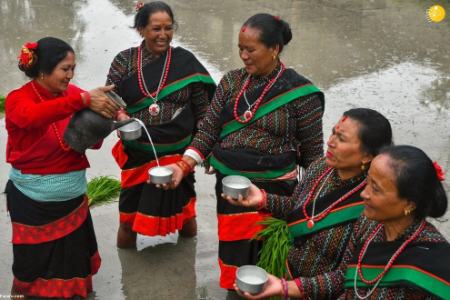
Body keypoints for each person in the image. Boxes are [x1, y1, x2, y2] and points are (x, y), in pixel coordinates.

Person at [163, 13, 325, 289]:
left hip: (276, 192)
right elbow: (209, 130)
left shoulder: (301, 94)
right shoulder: (231, 82)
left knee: (270, 258)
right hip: (231, 190)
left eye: (251, 49)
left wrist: (316, 205)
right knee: (235, 253)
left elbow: (313, 157)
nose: (243, 56)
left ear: (274, 49)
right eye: (240, 48)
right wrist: (184, 165)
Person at [236, 145, 449, 299]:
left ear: (409, 203)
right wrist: (284, 287)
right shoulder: (368, 224)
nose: (363, 194)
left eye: (376, 189)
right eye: (367, 183)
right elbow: (343, 278)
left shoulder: (433, 264)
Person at [4, 37, 120, 299]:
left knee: (72, 261)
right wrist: (82, 101)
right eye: (64, 69)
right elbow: (33, 117)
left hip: (72, 199)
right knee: (30, 264)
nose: (70, 75)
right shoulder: (17, 100)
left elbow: (92, 141)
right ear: (43, 70)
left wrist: (106, 118)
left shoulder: (71, 94)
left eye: (73, 68)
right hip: (32, 201)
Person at [226, 108, 393, 287]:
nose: (330, 142)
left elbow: (347, 276)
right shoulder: (320, 168)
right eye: (332, 133)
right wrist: (262, 199)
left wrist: (290, 289)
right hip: (286, 274)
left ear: (367, 156)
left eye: (341, 139)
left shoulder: (372, 204)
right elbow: (297, 208)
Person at [106, 1, 215, 248]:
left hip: (179, 155)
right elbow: (110, 100)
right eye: (156, 28)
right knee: (128, 219)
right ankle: (130, 275)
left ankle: (187, 264)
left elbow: (203, 111)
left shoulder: (185, 62)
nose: (163, 35)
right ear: (141, 29)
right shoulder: (124, 61)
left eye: (168, 28)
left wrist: (207, 152)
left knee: (186, 213)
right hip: (137, 153)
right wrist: (121, 116)